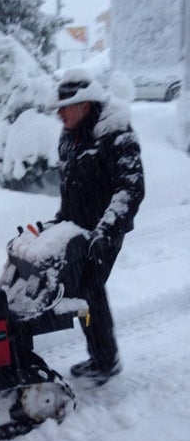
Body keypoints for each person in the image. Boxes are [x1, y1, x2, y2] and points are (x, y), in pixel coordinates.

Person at [52, 67, 145, 385]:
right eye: (59, 108)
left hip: (106, 231)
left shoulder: (116, 133)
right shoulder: (70, 137)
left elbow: (130, 188)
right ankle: (102, 356)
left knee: (90, 290)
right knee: (78, 289)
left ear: (85, 105)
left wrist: (107, 229)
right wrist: (59, 221)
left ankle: (106, 361)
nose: (60, 114)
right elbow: (71, 187)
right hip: (78, 228)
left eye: (65, 107)